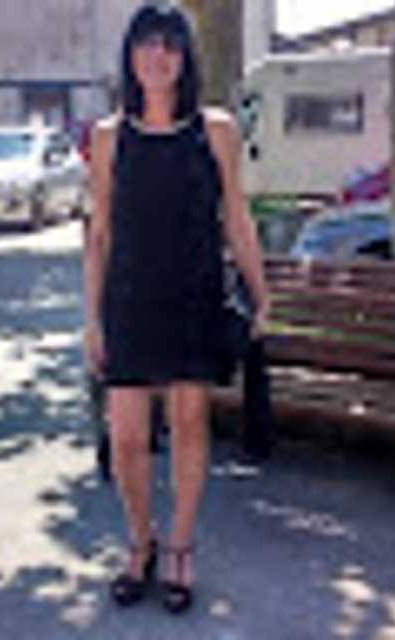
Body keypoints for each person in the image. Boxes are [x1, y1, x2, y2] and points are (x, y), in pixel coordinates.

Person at [84, 3, 269, 614]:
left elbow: (236, 217)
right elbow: (100, 233)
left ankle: (181, 548)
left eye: (169, 44)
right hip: (130, 304)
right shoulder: (108, 137)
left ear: (185, 57)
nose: (157, 55)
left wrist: (261, 292)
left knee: (190, 426)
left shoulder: (216, 130)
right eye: (146, 43)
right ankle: (141, 542)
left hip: (194, 298)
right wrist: (91, 319)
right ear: (130, 55)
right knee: (127, 439)